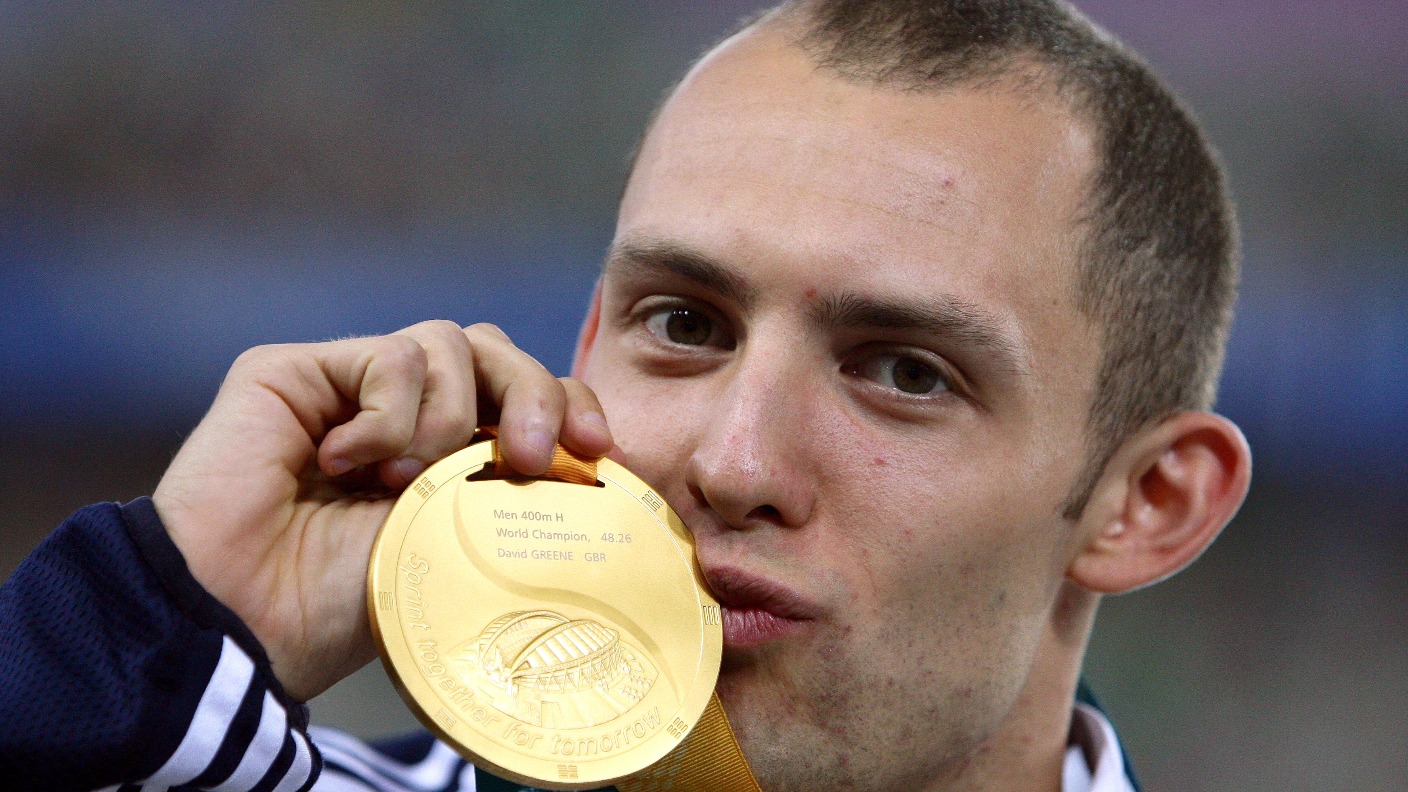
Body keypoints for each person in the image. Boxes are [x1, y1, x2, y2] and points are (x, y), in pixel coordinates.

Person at [0, 1, 1252, 790]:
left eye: (905, 373)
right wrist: (131, 638)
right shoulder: (172, 752)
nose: (733, 464)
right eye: (684, 326)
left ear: (1148, 502)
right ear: (588, 348)